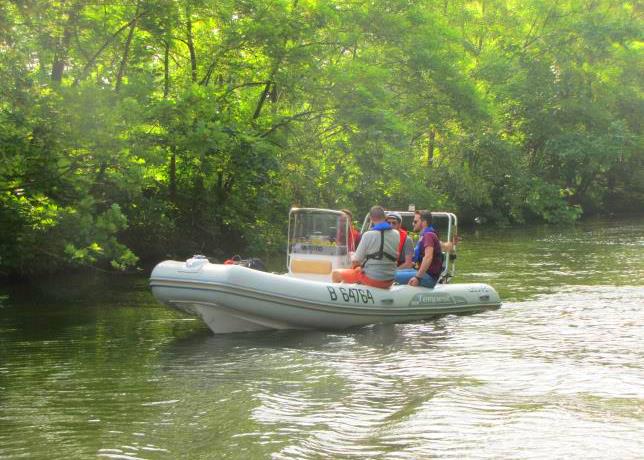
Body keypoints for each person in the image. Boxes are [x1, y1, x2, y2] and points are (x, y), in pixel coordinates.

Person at [332, 206, 399, 289]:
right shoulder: (396, 234)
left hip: (372, 279)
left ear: (371, 218)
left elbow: (356, 261)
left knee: (335, 274)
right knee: (358, 269)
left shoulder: (368, 235)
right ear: (385, 217)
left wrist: (352, 255)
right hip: (389, 280)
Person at [394, 210, 443, 288]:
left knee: (391, 276)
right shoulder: (425, 235)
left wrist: (417, 277)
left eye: (415, 222)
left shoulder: (428, 236)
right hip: (424, 274)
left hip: (428, 278)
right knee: (392, 272)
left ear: (424, 222)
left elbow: (428, 257)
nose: (413, 224)